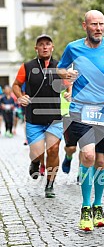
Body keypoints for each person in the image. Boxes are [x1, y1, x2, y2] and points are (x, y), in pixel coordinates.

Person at [57, 10, 104, 231]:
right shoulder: (73, 47)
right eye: (94, 24)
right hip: (81, 109)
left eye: (101, 24)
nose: (98, 28)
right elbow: (60, 68)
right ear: (85, 26)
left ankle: (98, 206)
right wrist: (66, 75)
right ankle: (86, 207)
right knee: (87, 155)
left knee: (100, 162)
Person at [12, 34, 63, 198]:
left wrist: (69, 92)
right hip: (34, 119)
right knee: (38, 152)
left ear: (52, 47)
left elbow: (69, 84)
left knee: (54, 150)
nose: (45, 47)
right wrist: (20, 96)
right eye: (41, 44)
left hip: (54, 118)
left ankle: (50, 184)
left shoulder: (60, 66)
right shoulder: (27, 67)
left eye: (48, 44)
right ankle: (35, 161)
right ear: (36, 48)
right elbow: (16, 85)